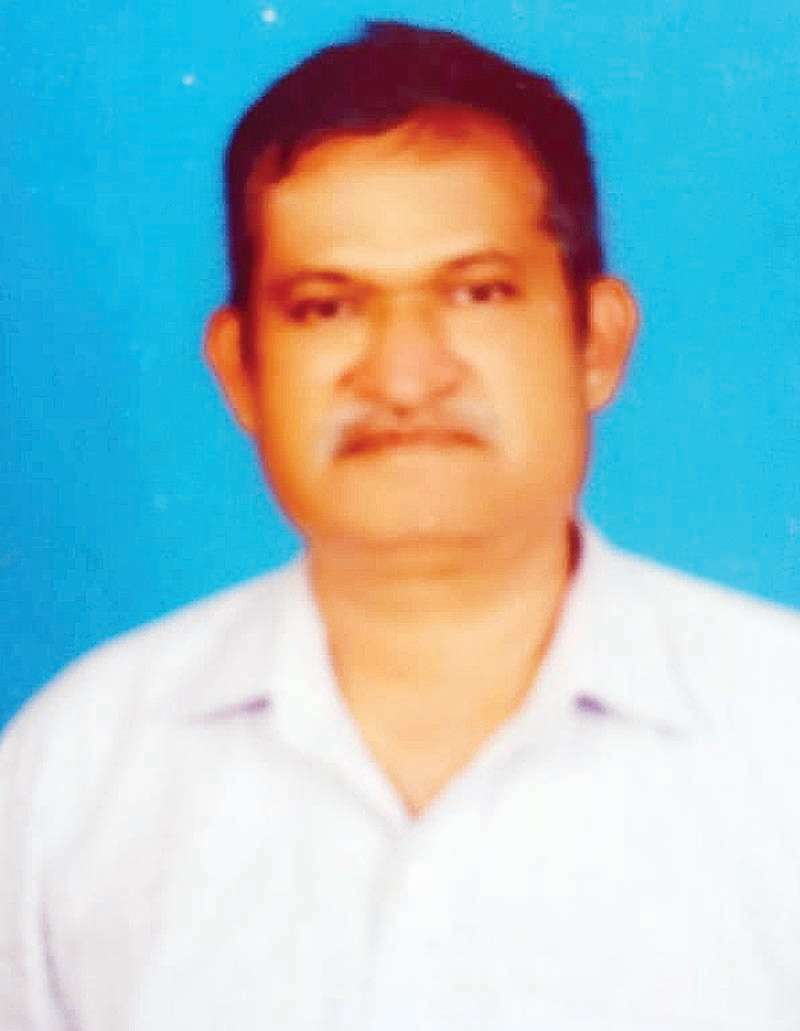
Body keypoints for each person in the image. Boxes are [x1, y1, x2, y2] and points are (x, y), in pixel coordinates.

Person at [2, 20, 799, 1031]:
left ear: (596, 341)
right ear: (240, 368)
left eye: (477, 292)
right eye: (325, 307)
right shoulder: (74, 772)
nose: (405, 375)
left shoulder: (780, 735)